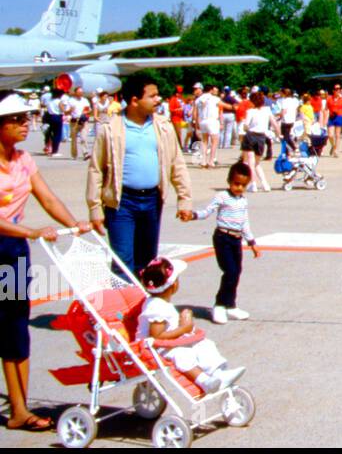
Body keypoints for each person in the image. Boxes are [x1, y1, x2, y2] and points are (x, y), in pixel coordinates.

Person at [0, 92, 92, 432]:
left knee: (14, 325)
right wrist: (29, 230)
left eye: (27, 117)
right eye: (17, 119)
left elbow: (48, 197)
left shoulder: (24, 160)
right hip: (7, 241)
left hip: (11, 254)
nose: (26, 124)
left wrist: (73, 225)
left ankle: (19, 409)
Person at [86, 74, 195, 278]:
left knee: (147, 261)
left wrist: (185, 199)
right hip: (121, 203)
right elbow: (96, 170)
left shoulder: (163, 126)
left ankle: (143, 306)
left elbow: (177, 164)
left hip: (152, 200)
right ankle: (124, 308)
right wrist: (94, 208)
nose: (158, 100)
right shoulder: (110, 129)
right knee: (123, 260)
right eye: (152, 96)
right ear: (135, 100)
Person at [135, 257, 244, 393]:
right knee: (183, 354)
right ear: (174, 285)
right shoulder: (156, 307)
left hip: (169, 342)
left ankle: (218, 373)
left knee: (205, 345)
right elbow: (157, 335)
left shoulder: (161, 303)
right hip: (155, 347)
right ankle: (204, 381)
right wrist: (184, 328)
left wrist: (182, 323)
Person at [191, 161, 260, 324]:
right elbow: (207, 212)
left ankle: (230, 305)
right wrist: (193, 215)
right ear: (229, 181)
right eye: (236, 184)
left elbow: (244, 222)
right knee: (229, 271)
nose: (239, 188)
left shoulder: (243, 201)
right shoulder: (222, 196)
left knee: (236, 271)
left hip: (236, 239)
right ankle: (219, 305)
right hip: (223, 237)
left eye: (243, 185)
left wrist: (252, 242)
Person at [239, 91, 275, 192]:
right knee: (257, 163)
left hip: (251, 136)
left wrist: (245, 127)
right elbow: (274, 122)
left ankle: (253, 184)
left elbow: (246, 126)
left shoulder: (250, 111)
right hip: (261, 137)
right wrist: (279, 133)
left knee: (250, 162)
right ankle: (265, 184)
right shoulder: (267, 110)